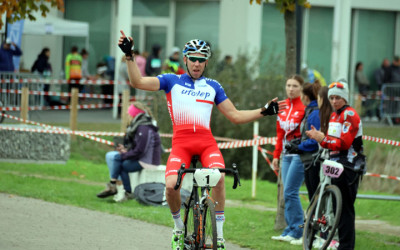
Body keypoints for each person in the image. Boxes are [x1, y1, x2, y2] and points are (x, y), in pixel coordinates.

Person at [118, 30, 283, 250]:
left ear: (206, 63)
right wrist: (129, 55)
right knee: (170, 187)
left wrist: (264, 111)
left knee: (219, 178)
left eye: (201, 60)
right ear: (185, 59)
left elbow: (235, 116)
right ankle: (178, 229)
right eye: (193, 59)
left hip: (206, 143)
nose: (197, 64)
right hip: (181, 144)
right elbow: (137, 81)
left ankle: (220, 237)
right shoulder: (171, 81)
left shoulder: (213, 86)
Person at [306, 79, 365, 250]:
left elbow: (344, 143)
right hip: (335, 162)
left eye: (337, 98)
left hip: (350, 165)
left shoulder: (350, 115)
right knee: (336, 206)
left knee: (345, 208)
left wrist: (323, 139)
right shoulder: (334, 115)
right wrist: (320, 137)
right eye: (331, 98)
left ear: (345, 98)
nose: (334, 101)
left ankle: (346, 247)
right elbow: (331, 141)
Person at [97, 102, 162, 202]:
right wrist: (126, 150)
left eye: (128, 114)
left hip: (149, 160)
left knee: (120, 161)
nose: (127, 116)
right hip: (143, 158)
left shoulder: (143, 128)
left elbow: (140, 150)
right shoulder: (140, 125)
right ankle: (123, 190)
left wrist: (125, 155)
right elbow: (139, 147)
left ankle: (116, 186)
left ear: (133, 115)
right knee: (120, 161)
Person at [271, 75, 306, 243]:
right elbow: (279, 134)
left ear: (301, 88)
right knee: (287, 193)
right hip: (285, 155)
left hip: (299, 155)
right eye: (288, 85)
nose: (291, 88)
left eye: (295, 86)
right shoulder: (281, 106)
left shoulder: (304, 108)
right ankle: (290, 230)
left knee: (291, 192)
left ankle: (299, 230)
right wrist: (275, 155)